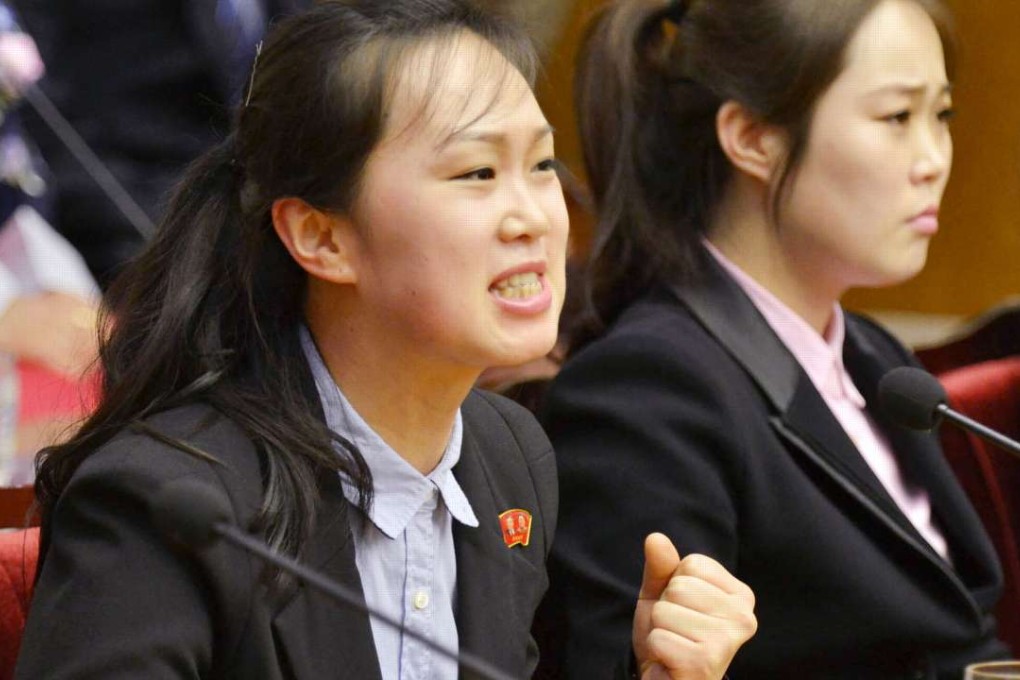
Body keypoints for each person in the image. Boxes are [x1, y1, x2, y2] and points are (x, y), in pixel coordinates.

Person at [14, 2, 755, 679]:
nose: (533, 216)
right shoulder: (167, 503)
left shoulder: (510, 458)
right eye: (477, 172)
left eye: (540, 166)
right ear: (321, 237)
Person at [538, 0, 1010, 677]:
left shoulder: (873, 357)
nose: (934, 159)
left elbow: (960, 640)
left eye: (943, 115)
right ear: (753, 138)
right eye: (897, 117)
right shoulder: (646, 389)